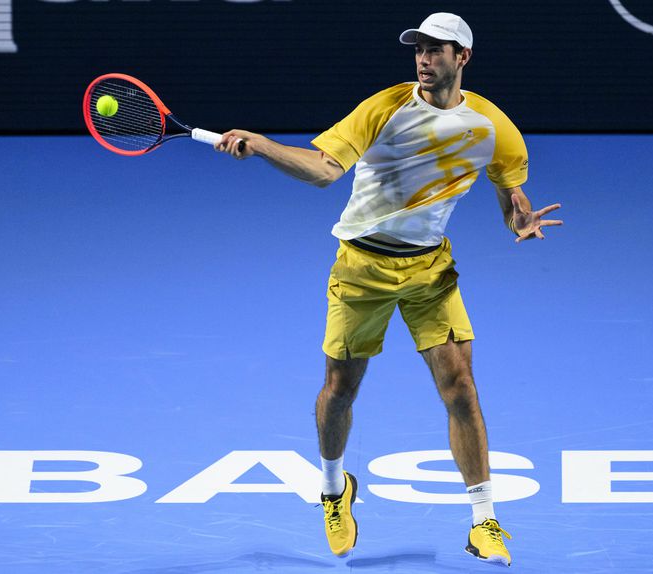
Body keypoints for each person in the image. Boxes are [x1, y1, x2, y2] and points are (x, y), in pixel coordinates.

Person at [214, 12, 562, 566]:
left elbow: (510, 194)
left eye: (436, 49)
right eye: (419, 49)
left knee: (461, 389)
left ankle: (484, 520)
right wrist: (260, 145)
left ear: (462, 57)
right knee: (339, 390)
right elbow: (324, 170)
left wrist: (518, 217)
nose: (424, 59)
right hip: (361, 267)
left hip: (431, 271)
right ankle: (334, 490)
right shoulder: (385, 107)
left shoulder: (493, 127)